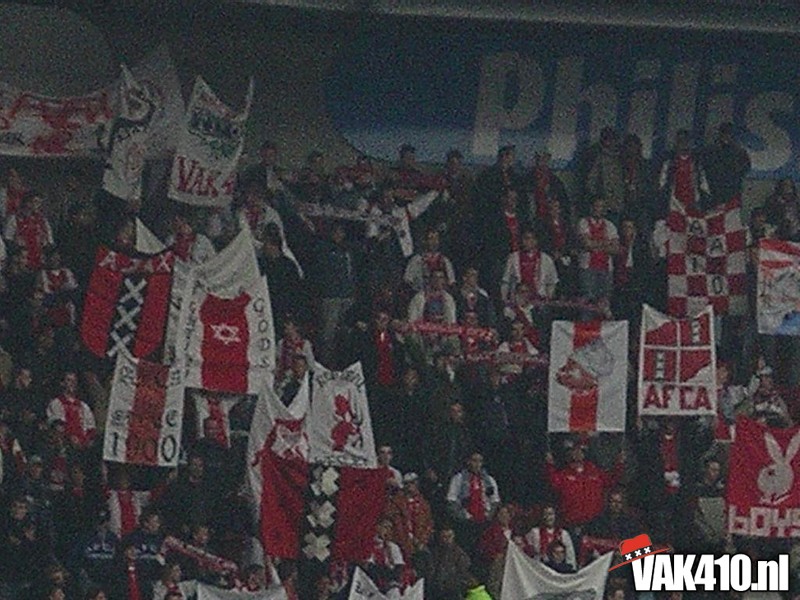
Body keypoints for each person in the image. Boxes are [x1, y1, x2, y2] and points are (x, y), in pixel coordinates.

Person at [577, 197, 619, 305]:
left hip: (606, 268)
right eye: (596, 206)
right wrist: (606, 243)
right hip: (588, 267)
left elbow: (615, 249)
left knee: (605, 300)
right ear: (591, 207)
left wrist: (595, 244)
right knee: (588, 300)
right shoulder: (583, 222)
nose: (598, 209)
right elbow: (587, 244)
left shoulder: (610, 225)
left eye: (601, 207)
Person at [500, 229, 559, 305]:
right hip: (517, 301)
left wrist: (548, 298)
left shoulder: (546, 259)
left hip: (539, 300)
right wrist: (504, 300)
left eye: (532, 238)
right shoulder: (513, 258)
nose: (529, 241)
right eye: (526, 238)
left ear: (536, 241)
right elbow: (506, 281)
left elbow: (551, 282)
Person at [701, 122, 751, 209]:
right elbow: (705, 168)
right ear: (719, 133)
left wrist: (735, 175)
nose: (726, 136)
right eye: (724, 132)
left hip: (733, 192)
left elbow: (746, 168)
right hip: (714, 192)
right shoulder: (710, 150)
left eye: (729, 133)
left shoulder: (739, 151)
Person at [659, 129, 709, 213]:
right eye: (680, 141)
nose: (683, 144)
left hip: (694, 203)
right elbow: (662, 184)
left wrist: (704, 199)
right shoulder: (669, 163)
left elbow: (704, 184)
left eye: (686, 141)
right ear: (676, 144)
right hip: (675, 204)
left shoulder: (697, 163)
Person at [522, 504, 576, 569]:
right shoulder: (534, 532)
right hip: (539, 568)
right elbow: (526, 551)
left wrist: (571, 570)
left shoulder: (563, 534)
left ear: (555, 516)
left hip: (559, 569)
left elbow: (570, 556)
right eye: (545, 514)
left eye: (550, 514)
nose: (548, 517)